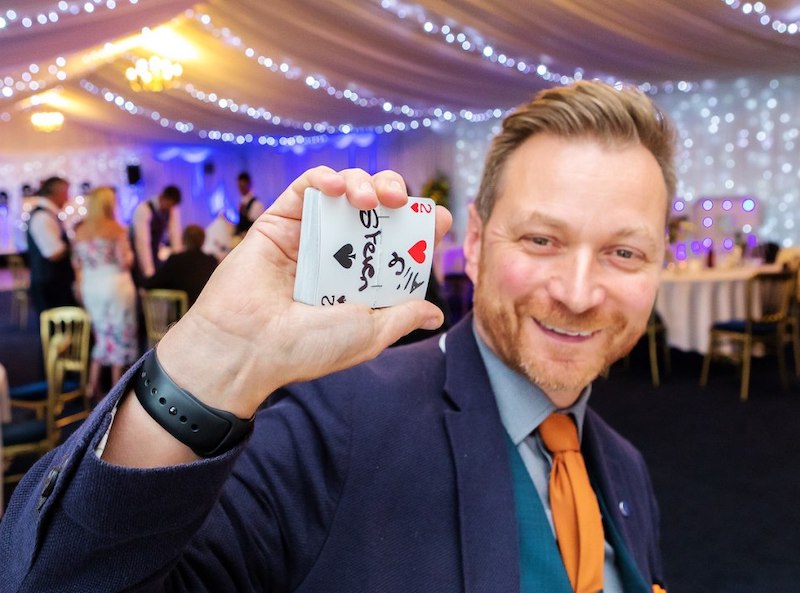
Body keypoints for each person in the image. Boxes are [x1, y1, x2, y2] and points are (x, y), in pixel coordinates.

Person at [0, 81, 675, 593]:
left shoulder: (627, 469)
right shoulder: (334, 424)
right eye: (541, 238)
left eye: (624, 253)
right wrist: (210, 361)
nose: (580, 292)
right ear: (474, 239)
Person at [71, 186, 138, 400]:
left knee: (101, 335)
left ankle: (92, 387)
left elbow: (76, 264)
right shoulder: (116, 229)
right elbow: (123, 262)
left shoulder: (80, 231)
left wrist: (81, 288)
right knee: (120, 332)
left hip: (91, 286)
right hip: (115, 283)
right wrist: (131, 256)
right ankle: (116, 392)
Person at [25, 176, 77, 314]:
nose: (67, 198)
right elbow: (53, 253)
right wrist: (75, 245)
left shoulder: (48, 214)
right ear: (57, 193)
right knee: (56, 331)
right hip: (50, 284)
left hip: (53, 282)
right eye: (66, 193)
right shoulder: (42, 217)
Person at [144, 224, 219, 307]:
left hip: (181, 317)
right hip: (205, 311)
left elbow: (150, 284)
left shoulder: (175, 260)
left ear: (183, 239)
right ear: (203, 240)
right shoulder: (211, 261)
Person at [129, 184, 183, 286]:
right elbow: (142, 243)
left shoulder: (171, 210)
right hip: (139, 255)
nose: (169, 208)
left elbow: (175, 235)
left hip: (154, 252)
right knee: (144, 283)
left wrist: (178, 262)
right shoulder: (144, 209)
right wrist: (148, 271)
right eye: (168, 204)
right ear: (162, 197)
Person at [234, 171, 266, 237]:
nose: (241, 189)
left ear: (249, 184)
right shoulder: (240, 202)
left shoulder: (257, 204)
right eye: (239, 186)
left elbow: (257, 225)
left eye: (243, 186)